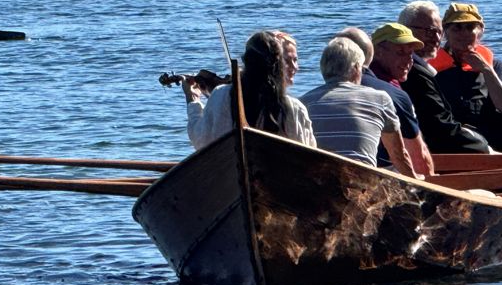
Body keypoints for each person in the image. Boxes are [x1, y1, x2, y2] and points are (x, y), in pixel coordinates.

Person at [300, 37, 420, 178]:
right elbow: (398, 156)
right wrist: (417, 183)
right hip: (361, 184)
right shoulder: (380, 99)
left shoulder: (303, 103)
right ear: (357, 68)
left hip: (320, 183)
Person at [183, 31, 316, 151]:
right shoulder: (294, 108)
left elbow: (201, 141)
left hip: (229, 174)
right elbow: (309, 156)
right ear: (279, 66)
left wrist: (193, 101)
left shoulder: (220, 95)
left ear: (246, 61)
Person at [336, 25, 434, 176]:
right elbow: (419, 161)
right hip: (378, 179)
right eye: (401, 52)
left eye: (411, 53)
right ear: (377, 52)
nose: (409, 60)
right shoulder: (393, 95)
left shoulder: (321, 93)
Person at [398, 0, 490, 154]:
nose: (435, 37)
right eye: (428, 31)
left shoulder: (416, 68)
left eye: (438, 31)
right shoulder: (413, 73)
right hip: (428, 152)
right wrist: (485, 147)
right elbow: (441, 130)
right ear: (406, 31)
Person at [428, 3, 502, 150]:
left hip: (489, 141)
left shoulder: (495, 66)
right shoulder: (429, 67)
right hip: (444, 142)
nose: (463, 34)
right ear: (445, 32)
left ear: (480, 31)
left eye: (470, 27)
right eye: (457, 28)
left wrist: (486, 70)